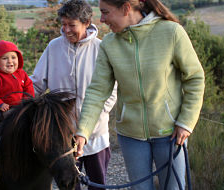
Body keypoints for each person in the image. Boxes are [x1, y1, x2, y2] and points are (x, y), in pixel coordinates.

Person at [75, 0, 205, 189]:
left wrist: (186, 122)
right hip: (130, 135)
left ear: (126, 8)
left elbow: (195, 78)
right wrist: (83, 132)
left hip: (170, 133)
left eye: (105, 12)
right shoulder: (109, 44)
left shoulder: (171, 32)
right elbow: (97, 91)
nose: (101, 19)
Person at [30, 1, 117, 189]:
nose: (66, 30)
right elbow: (36, 83)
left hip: (96, 134)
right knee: (68, 185)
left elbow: (112, 90)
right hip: (62, 136)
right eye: (63, 24)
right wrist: (15, 96)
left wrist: (98, 116)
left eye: (72, 25)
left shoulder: (101, 49)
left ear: (86, 23)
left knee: (98, 184)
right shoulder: (54, 47)